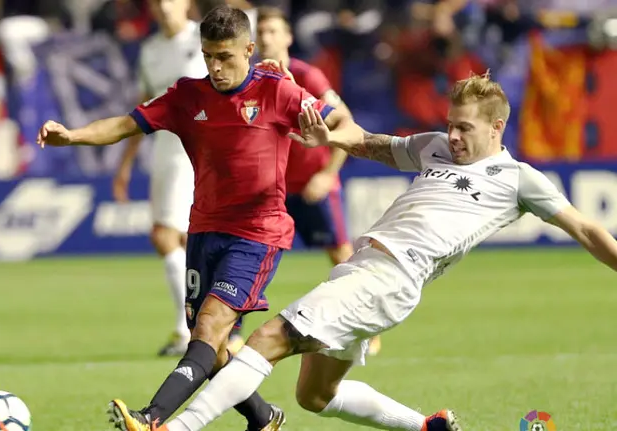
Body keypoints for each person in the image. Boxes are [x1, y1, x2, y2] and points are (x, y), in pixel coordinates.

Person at [149, 72, 617, 431]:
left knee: (265, 339)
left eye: (464, 129)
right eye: (449, 124)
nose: (452, 136)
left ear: (497, 127)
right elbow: (372, 144)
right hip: (364, 270)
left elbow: (586, 229)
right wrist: (328, 136)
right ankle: (426, 426)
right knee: (315, 396)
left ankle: (177, 426)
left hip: (389, 277)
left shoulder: (519, 179)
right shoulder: (435, 147)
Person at [36, 5, 355, 431]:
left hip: (258, 234)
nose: (216, 67)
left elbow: (344, 123)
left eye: (225, 57)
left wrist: (327, 136)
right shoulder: (187, 96)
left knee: (209, 328)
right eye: (209, 57)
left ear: (249, 50)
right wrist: (73, 135)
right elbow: (126, 125)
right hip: (205, 231)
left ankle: (152, 418)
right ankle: (263, 417)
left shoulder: (277, 91)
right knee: (210, 345)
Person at [254, 6, 383, 356]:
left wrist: (327, 175)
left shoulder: (306, 75)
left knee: (342, 258)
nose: (265, 37)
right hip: (274, 190)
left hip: (313, 185)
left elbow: (346, 122)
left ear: (287, 38)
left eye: (272, 31)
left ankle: (369, 327)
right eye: (261, 32)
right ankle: (232, 332)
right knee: (251, 253)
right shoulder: (251, 79)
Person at [112, 0, 209, 358]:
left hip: (200, 144)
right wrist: (126, 162)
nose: (165, 7)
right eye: (158, 2)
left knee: (167, 236)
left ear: (188, 4)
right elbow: (143, 107)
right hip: (167, 150)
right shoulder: (151, 50)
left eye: (172, 0)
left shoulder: (206, 37)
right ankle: (202, 328)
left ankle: (189, 331)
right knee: (182, 239)